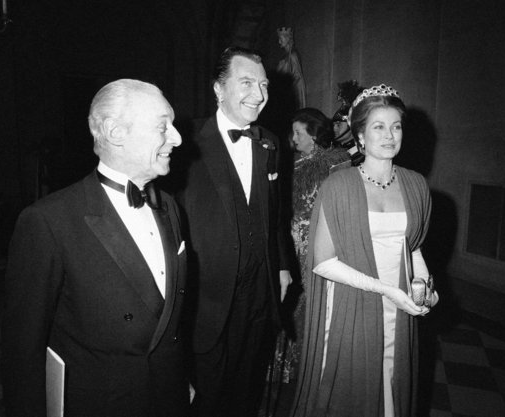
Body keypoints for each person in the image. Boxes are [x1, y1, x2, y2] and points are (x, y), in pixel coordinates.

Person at [2, 79, 190, 417]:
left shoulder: (170, 207)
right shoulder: (48, 221)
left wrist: (180, 378)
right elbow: (22, 351)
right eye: (164, 126)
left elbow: (171, 321)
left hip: (168, 396)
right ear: (115, 132)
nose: (176, 138)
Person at [290, 84, 439, 417]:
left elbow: (412, 247)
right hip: (351, 302)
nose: (389, 135)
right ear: (359, 135)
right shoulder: (338, 185)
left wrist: (425, 287)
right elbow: (322, 262)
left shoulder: (415, 184)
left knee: (390, 389)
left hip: (398, 307)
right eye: (378, 127)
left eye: (396, 126)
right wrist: (387, 291)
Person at [178, 46, 293, 417]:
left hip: (260, 291)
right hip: (206, 296)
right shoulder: (184, 141)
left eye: (263, 85)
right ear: (218, 88)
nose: (258, 95)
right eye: (246, 82)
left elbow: (276, 215)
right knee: (208, 397)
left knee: (248, 390)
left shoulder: (270, 143)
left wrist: (282, 266)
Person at [271, 108, 348, 383]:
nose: (293, 138)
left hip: (318, 243)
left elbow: (341, 210)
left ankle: (312, 369)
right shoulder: (293, 164)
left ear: (314, 134)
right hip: (291, 244)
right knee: (290, 300)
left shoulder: (337, 163)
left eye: (298, 132)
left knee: (313, 303)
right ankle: (287, 367)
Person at [277, 27, 307, 109]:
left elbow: (297, 76)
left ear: (288, 39)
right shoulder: (284, 58)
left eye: (281, 39)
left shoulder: (293, 56)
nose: (279, 42)